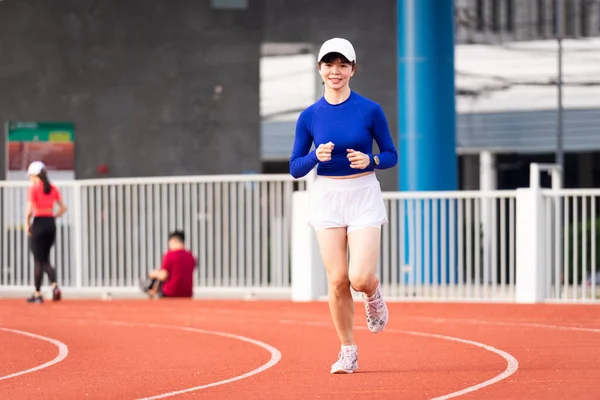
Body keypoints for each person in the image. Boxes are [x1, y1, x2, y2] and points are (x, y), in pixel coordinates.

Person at [289, 38, 398, 374]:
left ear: (352, 69)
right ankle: (347, 350)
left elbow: (391, 154)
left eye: (342, 65)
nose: (335, 71)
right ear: (320, 69)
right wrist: (314, 157)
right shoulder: (310, 116)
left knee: (360, 277)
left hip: (363, 191)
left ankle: (374, 293)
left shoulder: (370, 110)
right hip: (328, 197)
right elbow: (295, 167)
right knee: (337, 280)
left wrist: (372, 159)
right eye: (329, 65)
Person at [25, 161, 67, 303]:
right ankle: (54, 286)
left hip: (38, 223)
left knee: (38, 260)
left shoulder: (33, 188)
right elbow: (63, 208)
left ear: (34, 175)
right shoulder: (53, 188)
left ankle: (37, 294)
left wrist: (27, 224)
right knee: (46, 258)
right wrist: (54, 215)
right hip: (50, 224)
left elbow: (29, 211)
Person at [140, 231, 197, 298]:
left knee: (155, 276)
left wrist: (153, 274)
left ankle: (152, 293)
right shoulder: (191, 256)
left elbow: (163, 276)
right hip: (187, 293)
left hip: (170, 292)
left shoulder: (170, 255)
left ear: (173, 241)